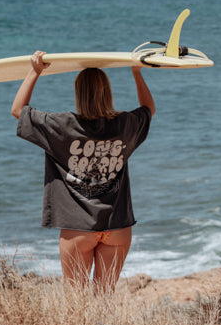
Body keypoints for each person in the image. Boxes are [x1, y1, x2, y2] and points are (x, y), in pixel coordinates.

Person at [12, 54, 155, 290]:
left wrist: (35, 71)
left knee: (76, 303)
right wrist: (137, 74)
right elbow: (149, 109)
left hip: (77, 228)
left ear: (78, 93)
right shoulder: (125, 124)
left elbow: (18, 109)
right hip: (117, 226)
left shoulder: (62, 125)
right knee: (103, 299)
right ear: (108, 92)